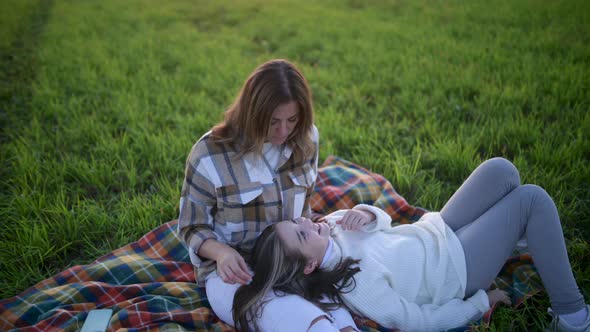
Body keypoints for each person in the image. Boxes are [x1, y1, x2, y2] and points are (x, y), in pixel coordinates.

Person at [235, 157, 590, 332]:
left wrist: (367, 214)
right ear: (309, 266)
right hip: (454, 271)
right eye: (300, 234)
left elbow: (387, 226)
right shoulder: (354, 284)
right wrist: (481, 302)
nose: (304, 222)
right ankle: (572, 316)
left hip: (434, 231)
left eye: (296, 222)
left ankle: (516, 233)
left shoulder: (328, 226)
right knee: (532, 200)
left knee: (501, 171)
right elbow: (418, 320)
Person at [177, 59, 350, 331]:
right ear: (252, 114)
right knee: (270, 311)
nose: (283, 132)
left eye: (292, 120)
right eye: (273, 122)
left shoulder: (307, 139)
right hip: (237, 269)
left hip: (294, 260)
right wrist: (221, 253)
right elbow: (190, 226)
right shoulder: (210, 155)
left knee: (341, 300)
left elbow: (304, 206)